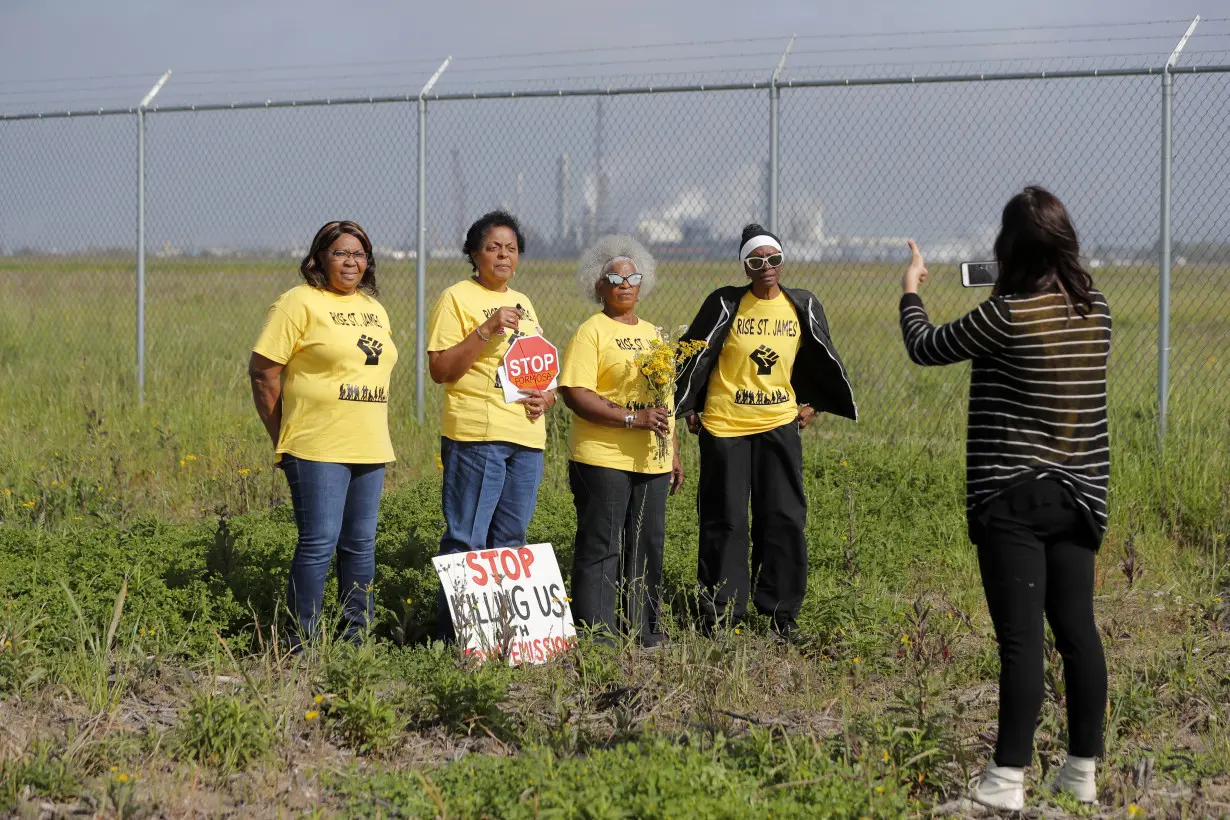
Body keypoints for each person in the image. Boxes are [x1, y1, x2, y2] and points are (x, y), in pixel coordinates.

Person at [898, 186, 1111, 811]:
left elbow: (926, 345)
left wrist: (912, 288)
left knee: (1019, 643)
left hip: (1013, 496)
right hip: (1080, 495)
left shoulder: (1006, 315)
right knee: (1078, 635)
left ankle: (1004, 781)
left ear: (1010, 248)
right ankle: (1081, 773)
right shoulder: (1093, 308)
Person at [674, 223, 857, 641]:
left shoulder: (801, 304)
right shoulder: (725, 303)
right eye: (756, 261)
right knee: (727, 519)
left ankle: (781, 614)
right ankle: (722, 613)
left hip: (779, 424)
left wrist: (815, 402)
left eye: (773, 259)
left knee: (785, 517)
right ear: (745, 266)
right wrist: (691, 403)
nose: (766, 267)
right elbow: (693, 350)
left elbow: (819, 356)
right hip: (725, 426)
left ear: (782, 261)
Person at [248, 220, 397, 647]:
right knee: (319, 544)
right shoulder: (298, 303)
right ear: (318, 258)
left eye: (359, 254)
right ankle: (302, 645)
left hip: (369, 445)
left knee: (361, 546)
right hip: (316, 446)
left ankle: (356, 642)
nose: (351, 261)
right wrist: (284, 435)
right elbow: (263, 372)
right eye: (340, 253)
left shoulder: (374, 308)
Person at [426, 210, 554, 641]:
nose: (503, 254)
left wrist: (547, 395)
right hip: (478, 436)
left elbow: (538, 367)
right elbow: (441, 369)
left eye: (511, 248)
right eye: (493, 247)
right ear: (474, 253)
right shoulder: (456, 297)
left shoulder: (526, 303)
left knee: (511, 541)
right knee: (468, 541)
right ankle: (453, 641)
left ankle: (501, 641)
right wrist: (486, 328)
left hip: (526, 437)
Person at [557, 235, 684, 647]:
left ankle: (644, 630)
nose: (624, 284)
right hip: (602, 456)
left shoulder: (653, 334)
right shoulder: (591, 332)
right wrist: (632, 418)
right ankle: (598, 635)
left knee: (647, 544)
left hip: (650, 459)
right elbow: (575, 393)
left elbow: (665, 399)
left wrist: (673, 453)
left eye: (632, 278)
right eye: (614, 277)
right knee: (602, 543)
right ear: (598, 285)